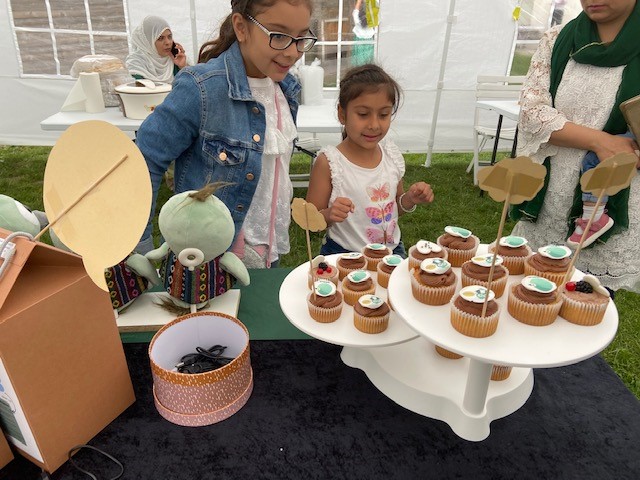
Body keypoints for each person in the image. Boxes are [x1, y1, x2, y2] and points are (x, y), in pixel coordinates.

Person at [134, 0, 316, 269]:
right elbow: (145, 160)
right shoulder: (202, 88)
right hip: (208, 261)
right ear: (241, 27)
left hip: (267, 252)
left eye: (301, 38)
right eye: (278, 36)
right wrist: (139, 247)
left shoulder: (287, 88)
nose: (292, 52)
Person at [511, 0, 640, 293]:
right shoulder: (558, 39)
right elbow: (532, 113)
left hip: (613, 207)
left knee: (587, 307)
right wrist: (601, 141)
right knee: (532, 296)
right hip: (550, 204)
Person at [306, 64, 434, 258]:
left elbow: (395, 208)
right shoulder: (330, 163)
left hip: (391, 253)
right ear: (342, 114)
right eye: (363, 114)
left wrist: (409, 199)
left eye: (383, 114)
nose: (374, 125)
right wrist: (328, 214)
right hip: (344, 255)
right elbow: (309, 220)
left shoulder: (391, 155)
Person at [126, 15, 188, 83]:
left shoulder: (174, 60)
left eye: (169, 37)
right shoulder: (136, 64)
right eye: (160, 38)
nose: (168, 42)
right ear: (148, 42)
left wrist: (183, 67)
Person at [351, 0, 376, 66]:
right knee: (369, 61)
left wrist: (359, 2)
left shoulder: (358, 21)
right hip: (369, 41)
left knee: (359, 62)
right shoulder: (373, 21)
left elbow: (355, 13)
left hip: (360, 41)